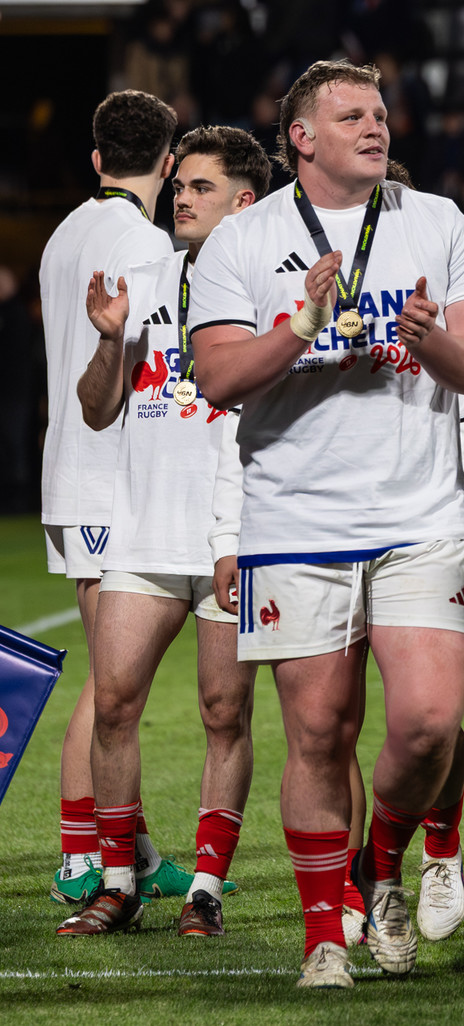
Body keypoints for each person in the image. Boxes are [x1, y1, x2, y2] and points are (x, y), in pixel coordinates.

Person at [188, 59, 464, 989]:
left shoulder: (438, 222)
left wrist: (426, 339)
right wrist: (303, 323)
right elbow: (216, 379)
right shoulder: (239, 242)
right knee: (320, 733)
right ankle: (326, 935)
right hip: (293, 520)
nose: (377, 126)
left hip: (419, 517)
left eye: (380, 113)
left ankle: (387, 861)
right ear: (302, 138)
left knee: (429, 723)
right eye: (352, 115)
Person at [55, 127, 271, 940]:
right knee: (112, 704)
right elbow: (96, 406)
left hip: (232, 536)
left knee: (225, 714)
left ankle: (206, 887)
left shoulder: (267, 290)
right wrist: (112, 341)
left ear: (245, 203)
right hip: (145, 532)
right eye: (178, 184)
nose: (180, 196)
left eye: (201, 187)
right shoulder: (141, 279)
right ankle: (117, 883)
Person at [37, 89, 195, 907]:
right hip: (109, 477)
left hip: (68, 469)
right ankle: (79, 860)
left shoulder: (61, 234)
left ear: (97, 159)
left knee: (115, 682)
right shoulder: (145, 243)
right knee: (110, 686)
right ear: (169, 166)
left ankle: (127, 845)